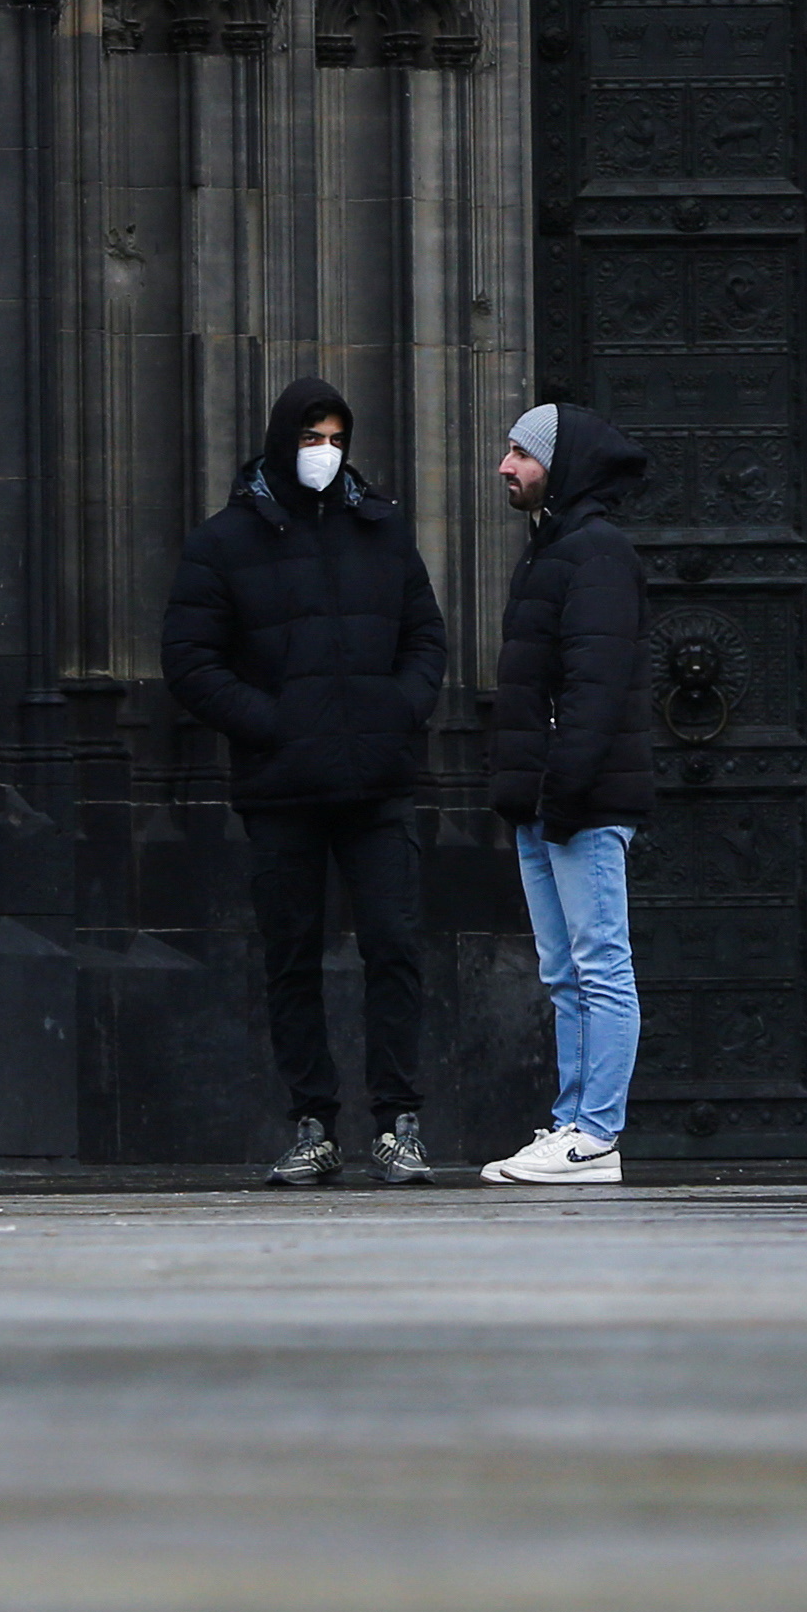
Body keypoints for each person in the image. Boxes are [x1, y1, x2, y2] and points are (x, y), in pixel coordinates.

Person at [163, 378, 448, 1186]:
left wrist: (399, 708)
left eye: (335, 437)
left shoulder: (381, 529)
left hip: (376, 777)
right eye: (311, 438)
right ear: (282, 441)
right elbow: (189, 660)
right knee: (292, 956)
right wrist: (273, 721)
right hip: (284, 784)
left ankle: (398, 1121)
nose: (325, 453)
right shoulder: (225, 541)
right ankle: (312, 1122)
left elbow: (425, 636)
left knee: (394, 945)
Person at [479, 405, 653, 1187]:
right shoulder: (553, 549)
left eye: (521, 451)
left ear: (561, 462)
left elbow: (596, 682)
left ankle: (598, 1131)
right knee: (564, 971)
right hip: (547, 797)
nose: (505, 466)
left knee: (599, 963)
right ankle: (572, 1122)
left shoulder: (597, 553)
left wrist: (565, 788)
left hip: (578, 797)